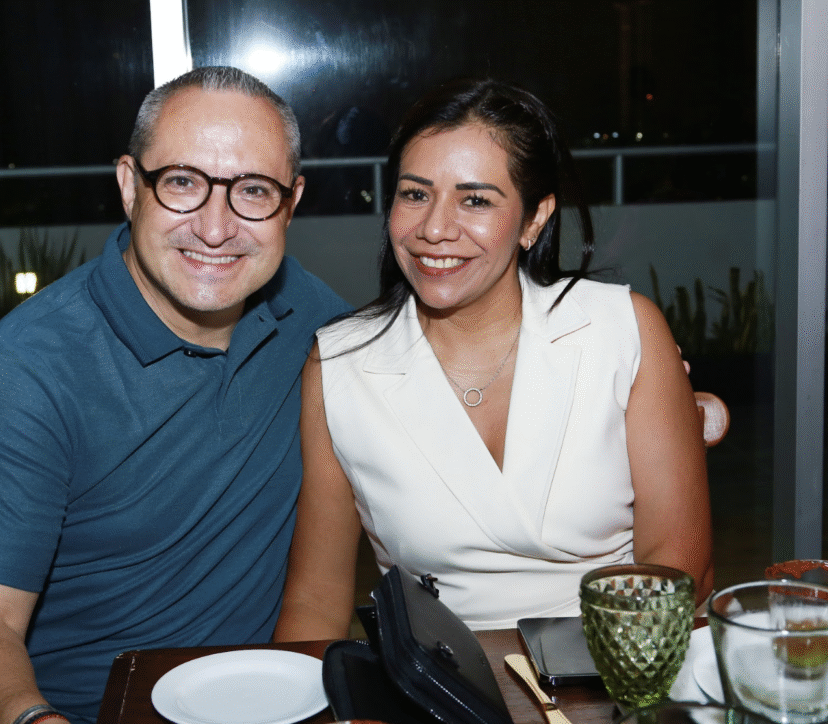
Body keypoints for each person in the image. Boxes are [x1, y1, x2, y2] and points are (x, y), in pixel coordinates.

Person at [0, 66, 349, 724]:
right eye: (182, 182)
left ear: (290, 203)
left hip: (256, 700)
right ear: (130, 185)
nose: (215, 228)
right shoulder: (28, 369)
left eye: (253, 191)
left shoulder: (316, 324)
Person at [274, 78, 713, 641]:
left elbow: (679, 567)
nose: (434, 229)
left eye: (475, 200)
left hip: (617, 655)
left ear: (534, 219)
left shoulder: (621, 330)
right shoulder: (341, 365)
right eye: (415, 194)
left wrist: (586, 676)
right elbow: (315, 602)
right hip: (441, 677)